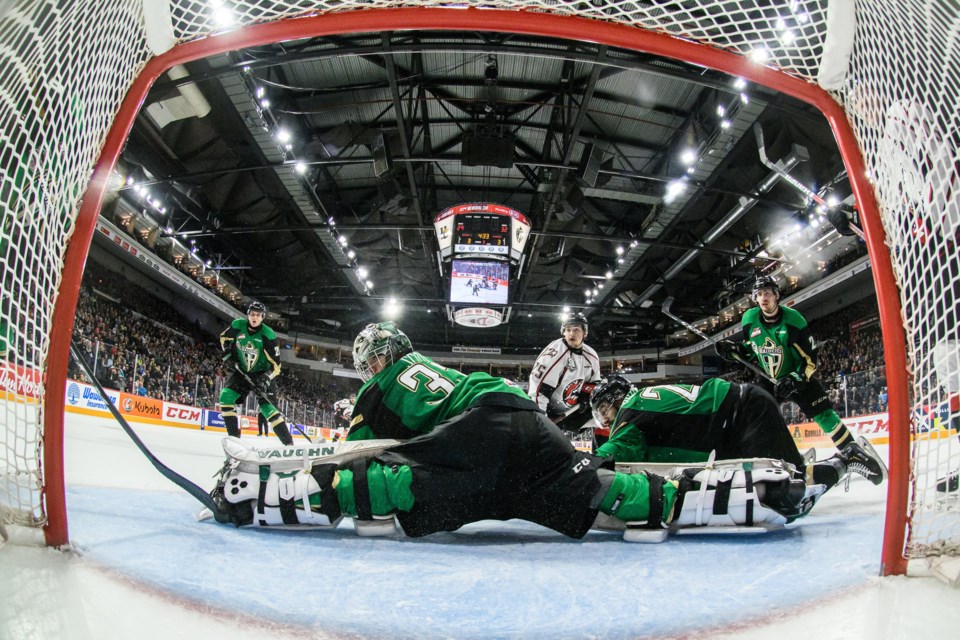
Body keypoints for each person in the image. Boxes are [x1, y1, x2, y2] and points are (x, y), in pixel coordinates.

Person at [210, 322, 810, 538]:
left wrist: (305, 466)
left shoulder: (377, 387)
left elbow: (356, 446)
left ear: (377, 359)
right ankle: (693, 500)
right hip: (524, 423)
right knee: (596, 490)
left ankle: (266, 499)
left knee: (383, 482)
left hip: (474, 441)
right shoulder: (434, 368)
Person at [715, 276, 883, 477]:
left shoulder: (794, 321)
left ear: (776, 295)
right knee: (760, 416)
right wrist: (734, 349)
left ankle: (853, 451)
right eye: (759, 294)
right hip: (769, 379)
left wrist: (794, 379)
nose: (763, 298)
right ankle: (781, 459)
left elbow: (811, 360)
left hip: (797, 376)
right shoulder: (749, 319)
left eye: (767, 292)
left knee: (823, 414)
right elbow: (752, 349)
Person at [589, 375, 884, 488]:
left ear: (615, 397)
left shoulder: (628, 414)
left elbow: (622, 450)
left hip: (743, 418)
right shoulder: (640, 401)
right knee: (760, 486)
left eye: (603, 408)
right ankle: (803, 462)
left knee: (790, 489)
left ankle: (846, 459)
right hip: (740, 417)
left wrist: (578, 465)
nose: (603, 418)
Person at [219, 302, 292, 445]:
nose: (254, 317)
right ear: (248, 315)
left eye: (258, 315)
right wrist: (228, 354)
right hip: (242, 371)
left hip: (262, 373)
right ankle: (235, 441)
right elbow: (224, 338)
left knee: (268, 409)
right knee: (226, 396)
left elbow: (276, 366)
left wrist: (265, 379)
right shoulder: (237, 325)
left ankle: (289, 444)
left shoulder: (268, 335)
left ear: (262, 317)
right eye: (252, 314)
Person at [527, 313, 601, 434]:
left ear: (585, 333)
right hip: (550, 413)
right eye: (568, 330)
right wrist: (541, 421)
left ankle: (602, 452)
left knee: (607, 411)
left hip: (573, 411)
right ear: (563, 332)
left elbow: (594, 384)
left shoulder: (591, 356)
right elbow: (539, 391)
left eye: (576, 329)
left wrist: (585, 395)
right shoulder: (555, 354)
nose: (571, 333)